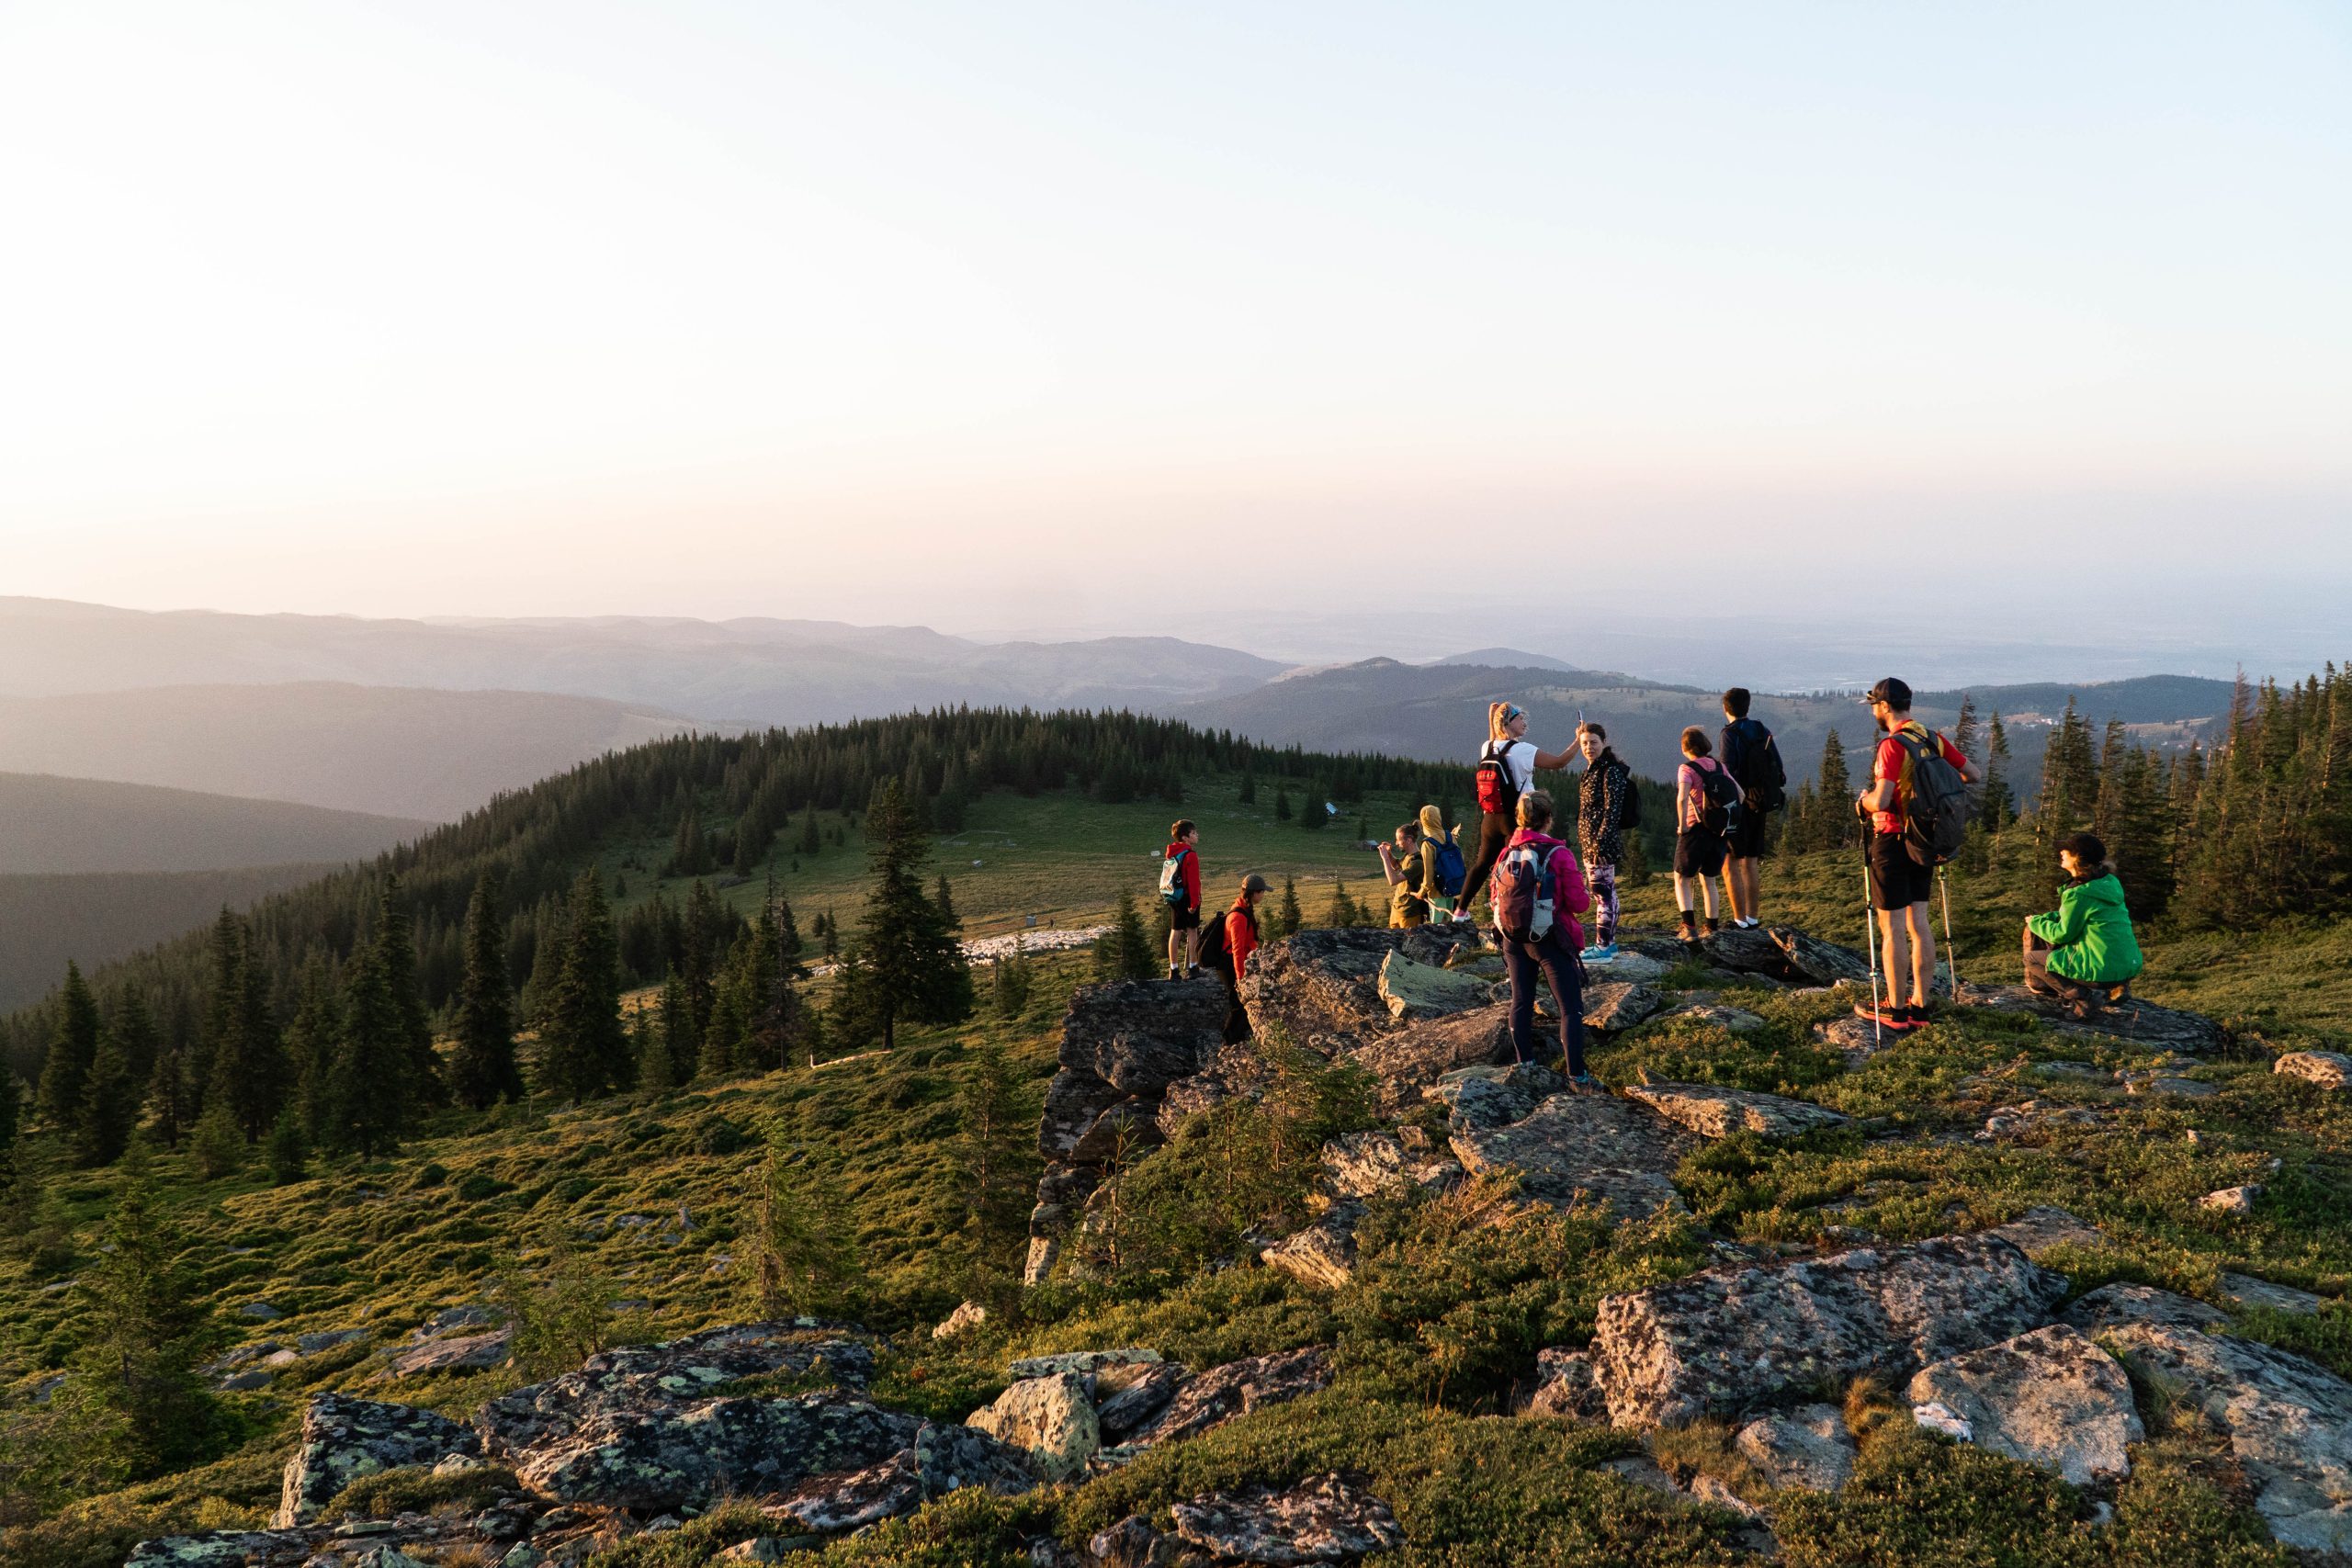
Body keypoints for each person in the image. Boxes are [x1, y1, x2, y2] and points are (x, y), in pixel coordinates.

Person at [1856, 677, 1980, 1031]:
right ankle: (1920, 1006)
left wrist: (1863, 803)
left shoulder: (1893, 745)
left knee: (1892, 928)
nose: (1875, 713)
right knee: (1919, 924)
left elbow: (1880, 800)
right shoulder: (1931, 737)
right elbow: (1972, 774)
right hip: (1923, 842)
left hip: (1893, 840)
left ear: (1883, 707)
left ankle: (1895, 1011)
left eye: (1875, 707)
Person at [1490, 790, 1598, 1088]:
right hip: (1549, 939)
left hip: (1512, 937)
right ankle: (1577, 1076)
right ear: (1548, 819)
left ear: (1520, 819)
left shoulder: (1507, 852)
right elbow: (1579, 904)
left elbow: (1494, 895)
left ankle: (1525, 1064)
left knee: (1521, 1001)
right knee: (1570, 1008)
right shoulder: (1558, 854)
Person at [1457, 702, 1576, 923]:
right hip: (1517, 820)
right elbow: (1559, 762)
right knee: (1522, 868)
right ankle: (1519, 916)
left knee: (1482, 865)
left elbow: (1495, 736)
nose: (1524, 723)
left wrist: (1491, 716)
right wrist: (1579, 740)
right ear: (1508, 723)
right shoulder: (1524, 750)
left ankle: (1460, 911)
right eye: (1520, 718)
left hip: (1491, 818)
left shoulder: (1488, 747)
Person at [2023, 831, 2143, 1016]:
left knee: (2032, 959)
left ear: (2079, 858)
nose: (2062, 852)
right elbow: (2089, 916)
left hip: (2100, 971)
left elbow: (2061, 934)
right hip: (2128, 966)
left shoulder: (2078, 893)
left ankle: (2083, 998)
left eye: (2067, 850)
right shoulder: (2109, 883)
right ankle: (2117, 989)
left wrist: (2035, 922)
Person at [1716, 688, 1786, 931]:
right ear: (1747, 706)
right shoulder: (1761, 729)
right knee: (1751, 861)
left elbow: (1726, 772)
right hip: (1761, 802)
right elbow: (1778, 764)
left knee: (1730, 861)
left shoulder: (1729, 734)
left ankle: (1739, 921)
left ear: (1725, 708)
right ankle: (1753, 918)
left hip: (1740, 804)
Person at [1673, 727, 1740, 944]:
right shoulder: (1719, 767)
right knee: (1709, 880)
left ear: (1686, 748)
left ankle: (1689, 928)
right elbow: (1741, 794)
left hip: (1696, 829)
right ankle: (1711, 928)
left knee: (1682, 878)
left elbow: (1683, 798)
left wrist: (1683, 826)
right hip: (1719, 831)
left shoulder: (1687, 768)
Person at [1574, 721, 1634, 964]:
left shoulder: (1610, 771)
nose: (1589, 747)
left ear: (1604, 743)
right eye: (1585, 743)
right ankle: (1609, 944)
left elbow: (1612, 810)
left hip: (1601, 845)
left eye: (1594, 743)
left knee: (1602, 894)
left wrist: (1599, 842)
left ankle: (1603, 947)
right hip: (1592, 843)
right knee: (1606, 894)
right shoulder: (1592, 770)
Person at [1197, 872, 1272, 1043]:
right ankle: (1230, 1042)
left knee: (1239, 1004)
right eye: (1262, 892)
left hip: (1231, 963)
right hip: (1229, 965)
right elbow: (1237, 950)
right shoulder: (1238, 917)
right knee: (1238, 1005)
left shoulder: (1242, 908)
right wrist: (1241, 977)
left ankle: (1236, 1039)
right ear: (1254, 893)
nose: (1263, 895)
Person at [1159, 819, 1203, 979]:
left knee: (1175, 931)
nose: (1196, 835)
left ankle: (1173, 969)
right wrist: (1194, 903)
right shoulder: (1190, 855)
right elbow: (1193, 882)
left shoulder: (1173, 853)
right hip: (1187, 898)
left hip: (1174, 897)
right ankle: (1193, 967)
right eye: (1193, 833)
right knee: (1192, 931)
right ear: (1185, 837)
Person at [1376, 818, 1429, 928]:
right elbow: (1396, 866)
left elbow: (1393, 880)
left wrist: (1385, 858)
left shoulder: (1417, 862)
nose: (1396, 843)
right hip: (1396, 910)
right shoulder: (1408, 857)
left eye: (1398, 840)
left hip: (1410, 913)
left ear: (1409, 840)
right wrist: (1389, 854)